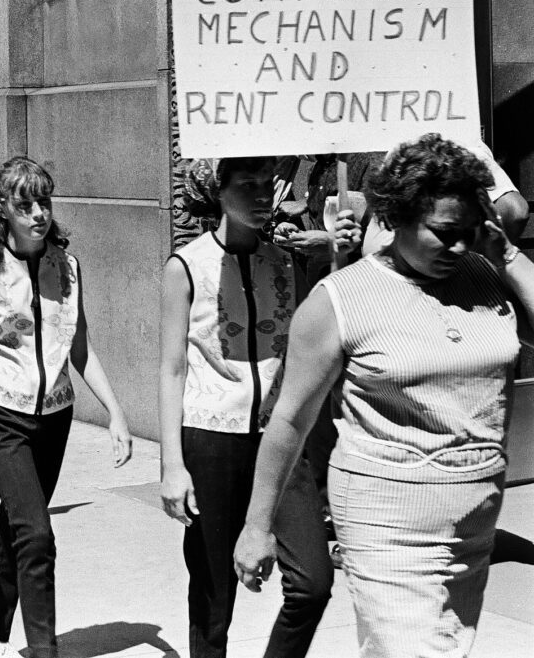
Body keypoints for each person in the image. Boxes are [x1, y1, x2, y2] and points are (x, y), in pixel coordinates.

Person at [233, 134, 534, 658]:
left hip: (472, 520)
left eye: (469, 231)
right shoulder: (341, 300)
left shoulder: (485, 274)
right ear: (396, 218)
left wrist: (505, 253)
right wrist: (257, 527)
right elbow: (288, 422)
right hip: (385, 521)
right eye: (443, 232)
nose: (459, 246)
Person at [159, 157, 357, 658]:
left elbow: (329, 329)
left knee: (313, 580)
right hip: (210, 438)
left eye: (266, 184)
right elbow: (171, 370)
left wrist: (343, 255)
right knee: (213, 595)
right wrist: (171, 464)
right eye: (246, 185)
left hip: (279, 439)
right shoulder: (186, 267)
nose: (260, 194)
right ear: (219, 191)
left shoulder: (286, 263)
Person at [0, 156, 133, 658]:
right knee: (37, 534)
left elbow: (80, 346)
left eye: (43, 202)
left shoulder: (66, 267)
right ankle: (43, 650)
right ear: (2, 209)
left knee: (19, 525)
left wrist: (114, 412)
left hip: (55, 415)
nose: (37, 214)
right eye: (24, 204)